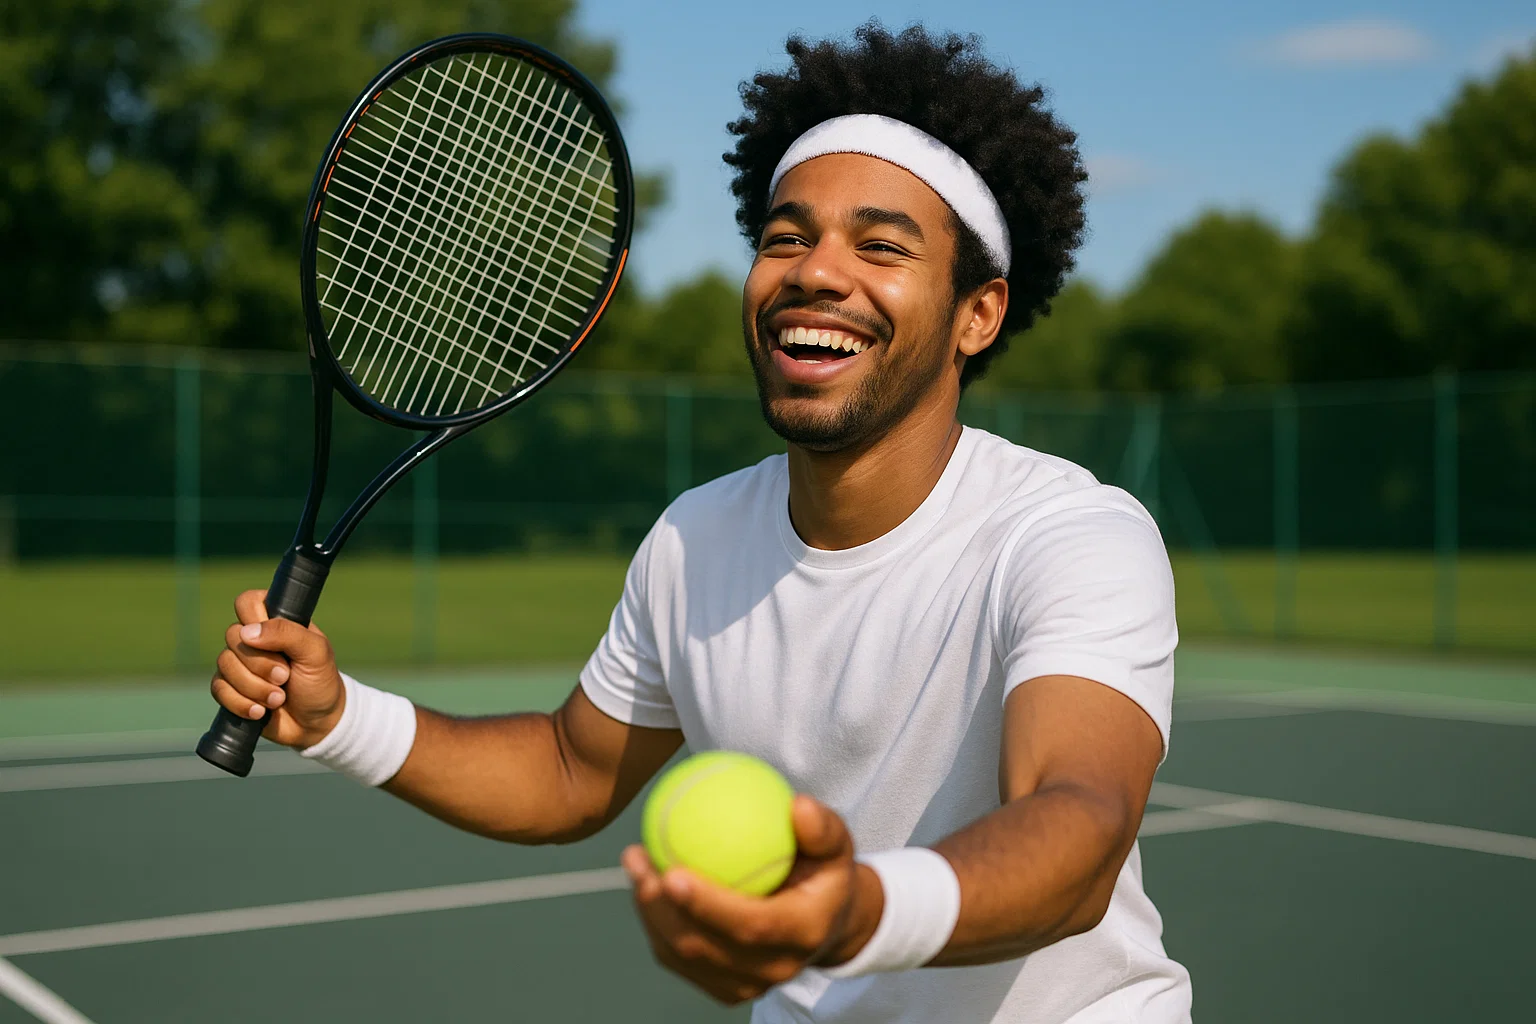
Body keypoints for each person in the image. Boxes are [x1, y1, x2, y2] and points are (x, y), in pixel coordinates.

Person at [210, 23, 1193, 1024]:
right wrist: (339, 720)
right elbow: (568, 770)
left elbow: (1078, 826)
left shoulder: (1071, 536)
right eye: (785, 236)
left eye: (881, 245)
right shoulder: (695, 538)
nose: (814, 270)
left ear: (977, 315)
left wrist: (854, 908)